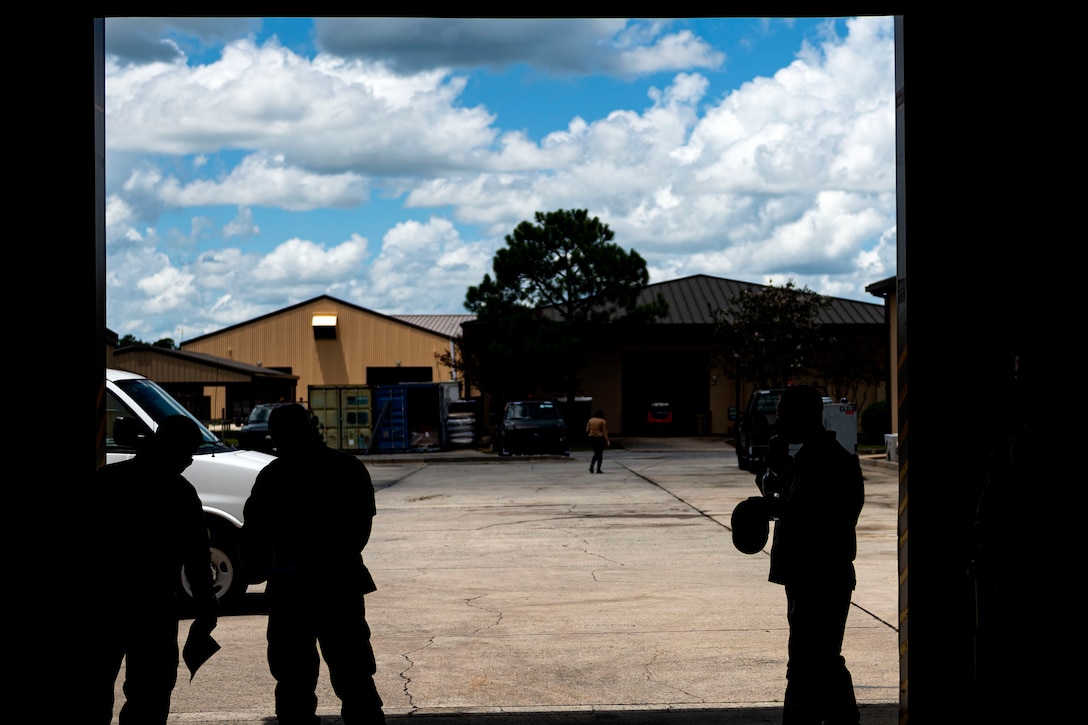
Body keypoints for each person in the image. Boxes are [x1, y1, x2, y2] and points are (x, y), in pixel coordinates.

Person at [241, 403, 385, 725]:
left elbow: (254, 535)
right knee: (354, 679)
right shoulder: (347, 467)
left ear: (276, 436)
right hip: (339, 586)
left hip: (291, 591)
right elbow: (360, 529)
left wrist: (255, 567)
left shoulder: (274, 476)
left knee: (294, 685)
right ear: (312, 427)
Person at [86, 415, 218, 724]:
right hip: (154, 606)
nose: (189, 460)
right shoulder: (181, 493)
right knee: (150, 696)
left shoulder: (108, 480)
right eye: (188, 452)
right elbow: (197, 558)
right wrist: (206, 605)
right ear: (174, 449)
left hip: (104, 602)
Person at [757, 385, 864, 725]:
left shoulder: (832, 463)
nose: (778, 420)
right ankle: (842, 720)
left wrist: (777, 474)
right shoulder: (809, 459)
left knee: (809, 662)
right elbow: (790, 501)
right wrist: (774, 469)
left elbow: (811, 516)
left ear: (804, 416)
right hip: (805, 575)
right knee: (818, 659)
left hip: (821, 576)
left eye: (784, 413)